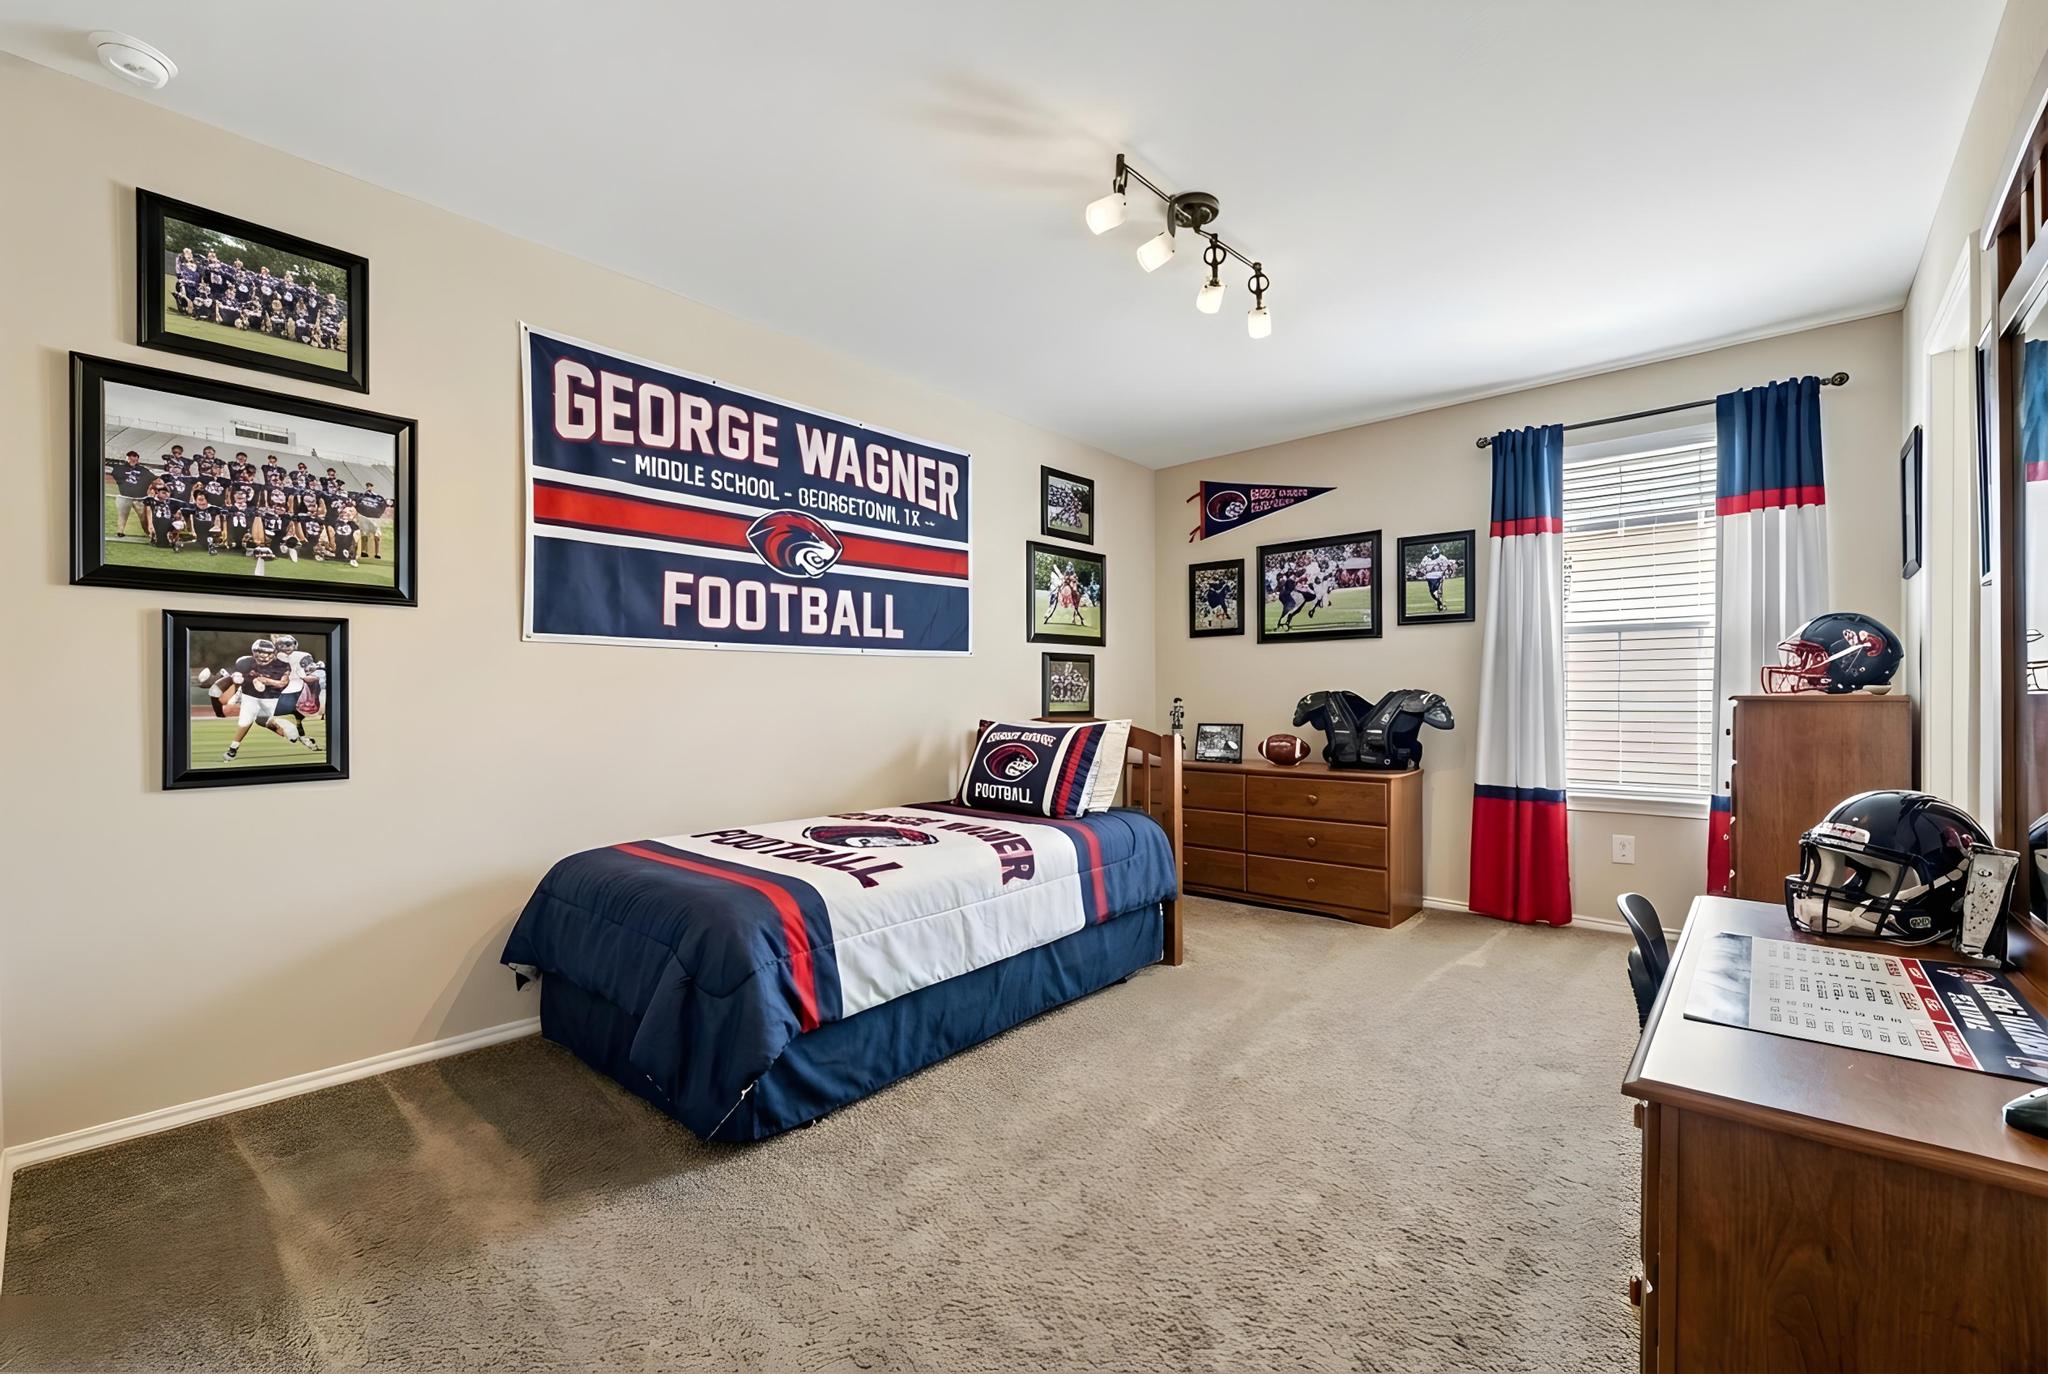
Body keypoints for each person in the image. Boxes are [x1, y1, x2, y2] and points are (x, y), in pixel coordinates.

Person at [219, 639, 317, 762]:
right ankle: (232, 749)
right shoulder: (245, 662)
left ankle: (291, 733)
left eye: (267, 653)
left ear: (273, 653)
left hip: (271, 699)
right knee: (245, 721)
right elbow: (238, 677)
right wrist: (235, 678)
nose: (263, 656)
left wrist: (266, 680)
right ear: (254, 652)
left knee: (269, 723)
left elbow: (283, 683)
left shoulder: (282, 665)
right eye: (259, 652)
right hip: (249, 697)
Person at [107, 449, 152, 538]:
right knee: (122, 515)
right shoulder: (119, 468)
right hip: (124, 496)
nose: (132, 461)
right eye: (130, 459)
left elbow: (153, 479)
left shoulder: (143, 470)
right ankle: (120, 532)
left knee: (143, 518)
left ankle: (148, 533)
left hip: (139, 498)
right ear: (127, 459)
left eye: (134, 460)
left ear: (137, 460)